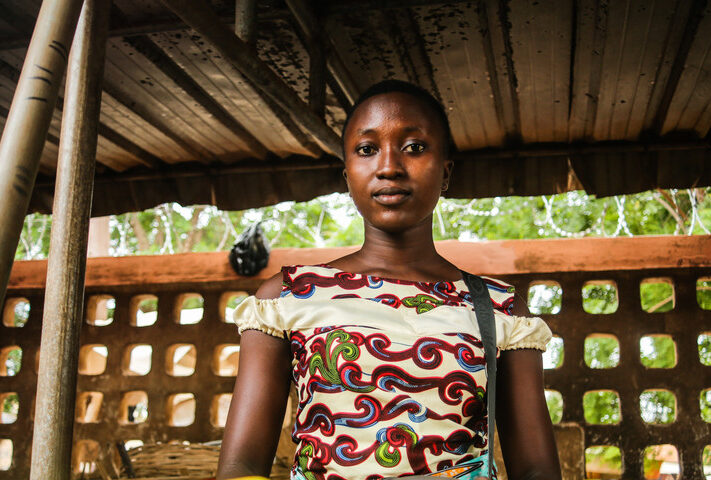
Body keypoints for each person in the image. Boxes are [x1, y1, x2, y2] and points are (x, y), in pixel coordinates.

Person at [216, 80, 561, 480]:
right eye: (367, 149)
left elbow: (536, 470)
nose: (389, 167)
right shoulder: (287, 296)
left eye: (414, 147)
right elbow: (241, 465)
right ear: (348, 175)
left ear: (445, 172)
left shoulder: (500, 309)